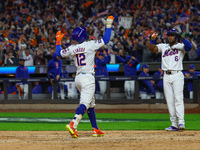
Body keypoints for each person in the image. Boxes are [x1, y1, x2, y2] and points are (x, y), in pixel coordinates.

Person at [56, 16, 114, 138]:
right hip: (88, 78)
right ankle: (73, 123)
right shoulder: (90, 45)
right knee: (84, 103)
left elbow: (58, 53)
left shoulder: (72, 48)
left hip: (78, 78)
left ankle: (95, 128)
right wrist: (108, 25)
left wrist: (57, 40)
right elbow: (106, 38)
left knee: (91, 104)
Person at [146, 28, 192, 131]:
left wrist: (180, 37)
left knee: (178, 99)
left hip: (177, 74)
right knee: (170, 100)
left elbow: (189, 47)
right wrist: (152, 40)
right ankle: (174, 124)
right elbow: (151, 49)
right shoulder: (164, 46)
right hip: (166, 75)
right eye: (169, 35)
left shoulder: (181, 46)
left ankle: (181, 122)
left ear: (176, 36)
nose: (170, 37)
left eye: (172, 35)